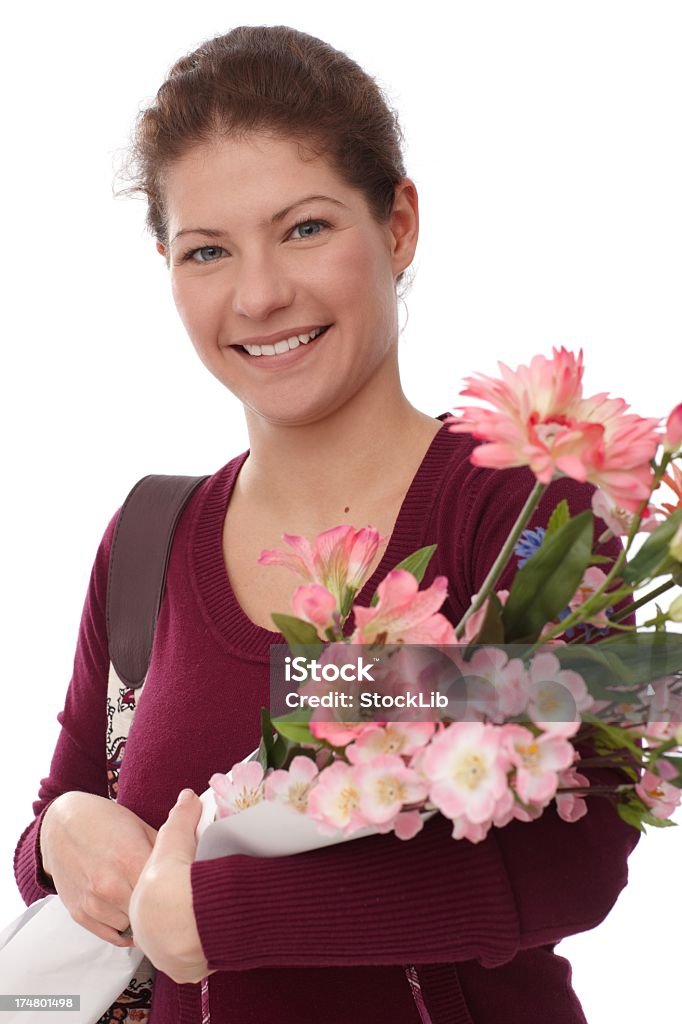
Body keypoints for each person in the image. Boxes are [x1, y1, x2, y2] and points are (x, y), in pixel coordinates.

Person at [13, 25, 640, 1024]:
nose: (259, 294)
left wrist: (226, 919)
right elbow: (64, 812)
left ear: (397, 225)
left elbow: (572, 865)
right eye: (207, 250)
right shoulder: (149, 538)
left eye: (304, 228)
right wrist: (57, 839)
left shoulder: (522, 514)